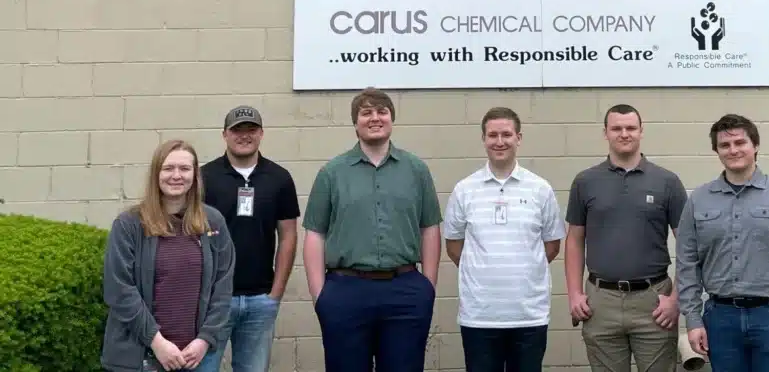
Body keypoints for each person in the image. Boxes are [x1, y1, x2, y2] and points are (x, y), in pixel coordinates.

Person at [302, 87, 443, 372]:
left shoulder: (416, 170)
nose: (374, 118)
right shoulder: (332, 172)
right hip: (345, 292)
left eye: (382, 112)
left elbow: (430, 227)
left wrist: (427, 286)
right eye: (366, 113)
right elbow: (315, 234)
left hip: (405, 291)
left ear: (392, 119)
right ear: (355, 122)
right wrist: (321, 296)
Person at [675, 114, 769, 372]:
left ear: (755, 146)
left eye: (740, 142)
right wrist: (692, 319)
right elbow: (687, 264)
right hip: (721, 320)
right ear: (717, 151)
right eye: (725, 145)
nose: (733, 150)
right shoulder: (698, 200)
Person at [564, 104, 688, 372]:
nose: (624, 134)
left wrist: (676, 299)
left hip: (654, 302)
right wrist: (575, 293)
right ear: (605, 133)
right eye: (616, 128)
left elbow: (689, 245)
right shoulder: (585, 181)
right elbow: (574, 240)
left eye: (630, 128)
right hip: (601, 301)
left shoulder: (667, 182)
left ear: (641, 132)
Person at [443, 107, 566, 372]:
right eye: (493, 135)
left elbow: (552, 245)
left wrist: (522, 266)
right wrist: (483, 270)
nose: (500, 141)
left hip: (528, 315)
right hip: (480, 317)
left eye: (507, 134)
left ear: (518, 138)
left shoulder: (540, 189)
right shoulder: (465, 190)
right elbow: (454, 246)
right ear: (484, 139)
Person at [100, 139, 235, 372]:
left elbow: (222, 288)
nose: (176, 175)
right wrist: (157, 342)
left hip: (194, 359)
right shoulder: (129, 225)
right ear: (156, 173)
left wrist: (204, 339)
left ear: (195, 175)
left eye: (184, 169)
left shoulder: (213, 222)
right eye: (168, 168)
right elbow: (119, 289)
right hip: (141, 359)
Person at [201, 105, 301, 372]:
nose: (244, 136)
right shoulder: (203, 178)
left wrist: (275, 294)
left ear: (261, 134)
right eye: (237, 130)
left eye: (251, 129)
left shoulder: (279, 178)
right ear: (224, 134)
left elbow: (288, 236)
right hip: (213, 300)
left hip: (260, 299)